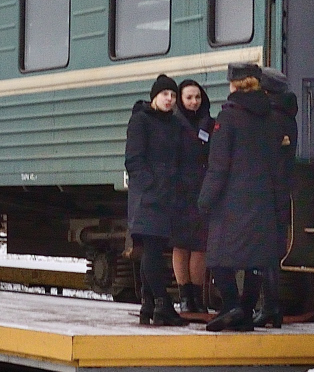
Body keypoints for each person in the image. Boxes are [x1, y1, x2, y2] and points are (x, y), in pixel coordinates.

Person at [199, 63, 293, 333]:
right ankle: (247, 308)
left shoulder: (227, 118)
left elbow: (219, 166)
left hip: (231, 200)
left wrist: (205, 199)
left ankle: (231, 305)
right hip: (263, 199)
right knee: (257, 258)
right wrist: (279, 205)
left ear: (233, 85)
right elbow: (278, 166)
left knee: (217, 256)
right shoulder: (273, 119)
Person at [123, 75, 186, 326]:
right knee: (152, 249)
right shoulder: (140, 121)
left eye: (172, 95)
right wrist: (151, 185)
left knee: (155, 249)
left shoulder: (173, 124)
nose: (169, 99)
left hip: (164, 196)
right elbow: (134, 160)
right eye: (164, 95)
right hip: (148, 197)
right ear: (154, 97)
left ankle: (148, 307)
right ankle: (162, 303)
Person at [256, 67, 300, 329]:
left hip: (268, 192)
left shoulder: (271, 118)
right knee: (271, 251)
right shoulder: (286, 116)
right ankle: (271, 306)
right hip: (281, 191)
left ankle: (270, 307)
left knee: (266, 252)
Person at [171, 79, 213, 315]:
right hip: (180, 193)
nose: (194, 101)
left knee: (200, 246)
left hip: (202, 190)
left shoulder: (209, 122)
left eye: (197, 97)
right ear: (181, 99)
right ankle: (184, 296)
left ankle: (197, 296)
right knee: (181, 245)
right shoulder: (174, 124)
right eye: (189, 97)